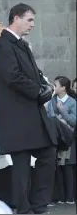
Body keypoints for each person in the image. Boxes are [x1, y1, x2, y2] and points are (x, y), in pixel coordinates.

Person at [0, 3, 57, 214]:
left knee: (48, 152)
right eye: (29, 20)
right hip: (16, 118)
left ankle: (38, 204)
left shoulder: (21, 45)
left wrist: (45, 86)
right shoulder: (2, 45)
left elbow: (33, 73)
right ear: (16, 18)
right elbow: (12, 76)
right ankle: (24, 208)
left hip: (31, 115)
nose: (32, 25)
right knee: (21, 167)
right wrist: (38, 91)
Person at [46, 76, 76, 204]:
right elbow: (49, 116)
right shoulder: (52, 100)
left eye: (56, 85)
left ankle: (69, 197)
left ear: (63, 87)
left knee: (67, 168)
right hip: (55, 137)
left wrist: (62, 110)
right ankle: (60, 196)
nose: (54, 87)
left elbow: (74, 121)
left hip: (68, 138)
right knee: (57, 167)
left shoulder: (72, 102)